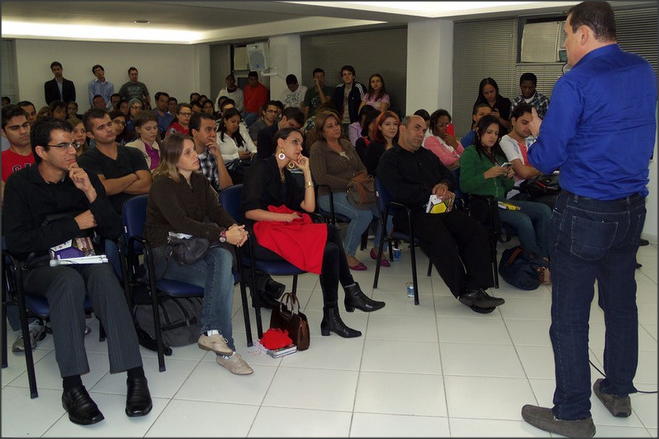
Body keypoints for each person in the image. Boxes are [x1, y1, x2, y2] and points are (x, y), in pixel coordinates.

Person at [521, 2, 657, 437]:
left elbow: (546, 158)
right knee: (620, 303)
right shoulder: (642, 70)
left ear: (584, 34)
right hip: (632, 207)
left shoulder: (575, 82)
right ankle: (617, 390)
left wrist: (539, 130)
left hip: (585, 210)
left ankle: (573, 412)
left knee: (569, 314)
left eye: (565, 34)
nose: (564, 44)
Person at [3, 117, 152, 425]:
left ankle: (135, 375)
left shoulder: (83, 177)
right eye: (63, 145)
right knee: (67, 281)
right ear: (42, 151)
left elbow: (113, 230)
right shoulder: (21, 185)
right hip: (39, 264)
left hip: (83, 257)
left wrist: (92, 194)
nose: (72, 150)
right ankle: (72, 386)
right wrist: (74, 224)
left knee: (104, 275)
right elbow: (16, 242)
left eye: (73, 143)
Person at [242, 127, 385, 338]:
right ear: (280, 143)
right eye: (295, 142)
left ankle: (343, 300)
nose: (300, 148)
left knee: (330, 232)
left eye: (301, 143)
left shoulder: (286, 175)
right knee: (329, 250)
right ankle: (339, 307)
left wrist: (307, 171)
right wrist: (286, 217)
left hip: (282, 229)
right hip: (261, 235)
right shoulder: (261, 168)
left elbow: (309, 207)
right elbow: (250, 212)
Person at [143, 133, 253, 375]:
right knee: (222, 276)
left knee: (223, 260)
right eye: (188, 152)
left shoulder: (199, 180)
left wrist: (235, 227)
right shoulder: (162, 184)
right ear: (173, 158)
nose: (196, 155)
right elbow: (181, 223)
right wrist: (224, 236)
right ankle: (227, 351)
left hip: (193, 249)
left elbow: (215, 211)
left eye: (194, 150)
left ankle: (213, 336)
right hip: (165, 254)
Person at [377, 115, 505, 313]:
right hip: (410, 213)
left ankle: (477, 287)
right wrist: (430, 192)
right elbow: (399, 192)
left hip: (438, 209)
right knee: (440, 237)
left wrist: (443, 185)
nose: (421, 134)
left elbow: (447, 175)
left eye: (424, 129)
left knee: (475, 231)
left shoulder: (426, 155)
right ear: (402, 129)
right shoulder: (390, 159)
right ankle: (464, 291)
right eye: (417, 128)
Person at [459, 114, 551, 260]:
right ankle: (538, 259)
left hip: (502, 201)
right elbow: (464, 186)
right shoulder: (470, 154)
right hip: (484, 204)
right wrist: (487, 175)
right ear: (478, 132)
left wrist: (508, 177)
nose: (493, 137)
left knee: (543, 210)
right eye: (489, 132)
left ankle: (544, 255)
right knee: (523, 220)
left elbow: (507, 187)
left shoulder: (497, 154)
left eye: (496, 133)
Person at [309, 110, 384, 271]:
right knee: (364, 215)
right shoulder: (318, 148)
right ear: (322, 131)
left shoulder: (347, 144)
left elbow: (362, 168)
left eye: (336, 124)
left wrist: (357, 181)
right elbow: (321, 178)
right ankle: (347, 253)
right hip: (330, 194)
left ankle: (378, 248)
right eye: (330, 126)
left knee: (386, 211)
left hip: (357, 191)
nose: (335, 128)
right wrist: (349, 183)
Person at [78, 108, 152, 214]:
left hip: (142, 212)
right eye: (101, 127)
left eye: (109, 124)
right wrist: (133, 176)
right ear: (90, 135)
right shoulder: (87, 159)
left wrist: (115, 186)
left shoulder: (133, 153)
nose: (108, 129)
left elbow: (147, 186)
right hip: (111, 217)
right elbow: (104, 188)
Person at [499, 103, 556, 208]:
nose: (529, 127)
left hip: (537, 186)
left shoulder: (531, 139)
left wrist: (540, 168)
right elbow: (523, 173)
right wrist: (542, 168)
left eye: (531, 123)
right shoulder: (505, 142)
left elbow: (550, 162)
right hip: (519, 192)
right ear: (513, 121)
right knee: (555, 204)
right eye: (524, 123)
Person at [190, 112, 233, 193]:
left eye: (214, 130)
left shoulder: (212, 154)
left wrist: (219, 157)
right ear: (194, 132)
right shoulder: (182, 157)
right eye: (208, 130)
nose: (213, 134)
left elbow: (227, 188)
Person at [2, 105, 33, 204]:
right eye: (15, 128)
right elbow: (5, 198)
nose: (23, 131)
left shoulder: (46, 153)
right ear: (3, 132)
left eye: (25, 125)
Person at [217, 107, 256, 184]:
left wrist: (253, 154)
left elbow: (253, 148)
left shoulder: (242, 134)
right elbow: (217, 158)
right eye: (233, 121)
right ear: (225, 120)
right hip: (226, 170)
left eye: (238, 123)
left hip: (244, 166)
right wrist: (236, 156)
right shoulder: (217, 137)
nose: (235, 125)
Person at [332, 65, 367, 139]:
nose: (347, 77)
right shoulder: (338, 89)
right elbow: (334, 105)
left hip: (354, 122)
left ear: (353, 76)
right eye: (344, 75)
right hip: (341, 121)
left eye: (349, 74)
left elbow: (364, 105)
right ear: (342, 77)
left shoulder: (358, 87)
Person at [363, 110, 399, 176]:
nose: (392, 128)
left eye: (395, 124)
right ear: (380, 127)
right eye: (387, 124)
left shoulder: (399, 146)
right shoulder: (374, 147)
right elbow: (369, 170)